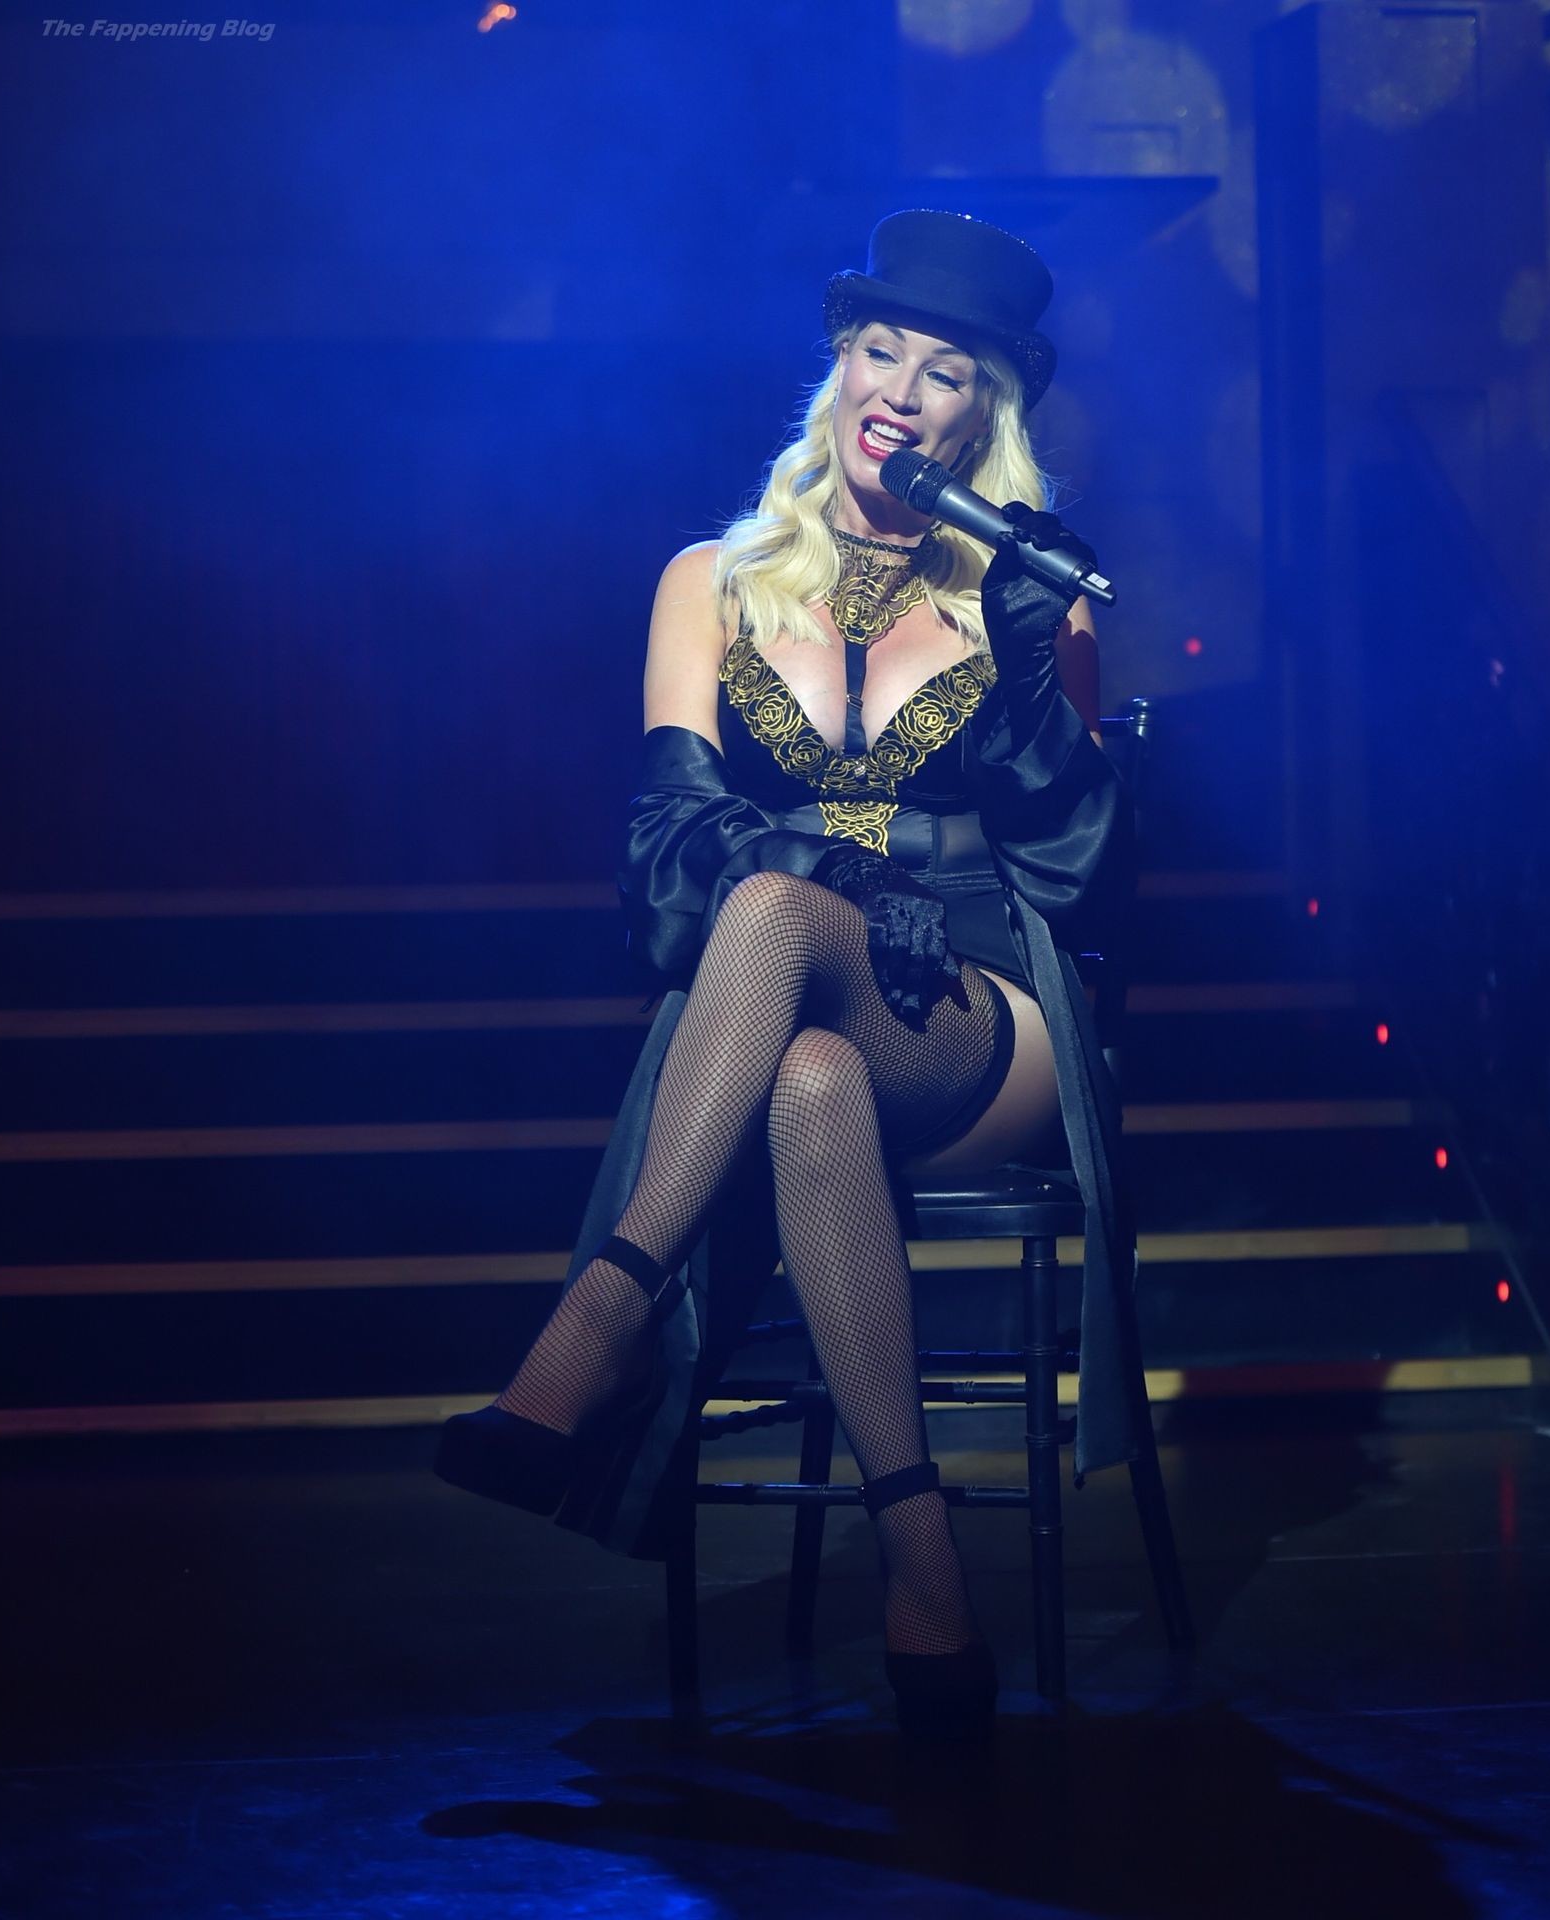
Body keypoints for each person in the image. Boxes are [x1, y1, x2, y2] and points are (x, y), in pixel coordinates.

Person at [435, 209, 1151, 1736]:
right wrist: (835, 878)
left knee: (768, 910)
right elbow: (663, 849)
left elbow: (1080, 876)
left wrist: (1035, 666)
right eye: (878, 351)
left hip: (990, 1013)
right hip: (801, 999)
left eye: (943, 371)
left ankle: (603, 1313)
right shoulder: (710, 579)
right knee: (805, 1060)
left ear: (981, 416)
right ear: (838, 369)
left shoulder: (1027, 594)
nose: (899, 389)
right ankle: (922, 1560)